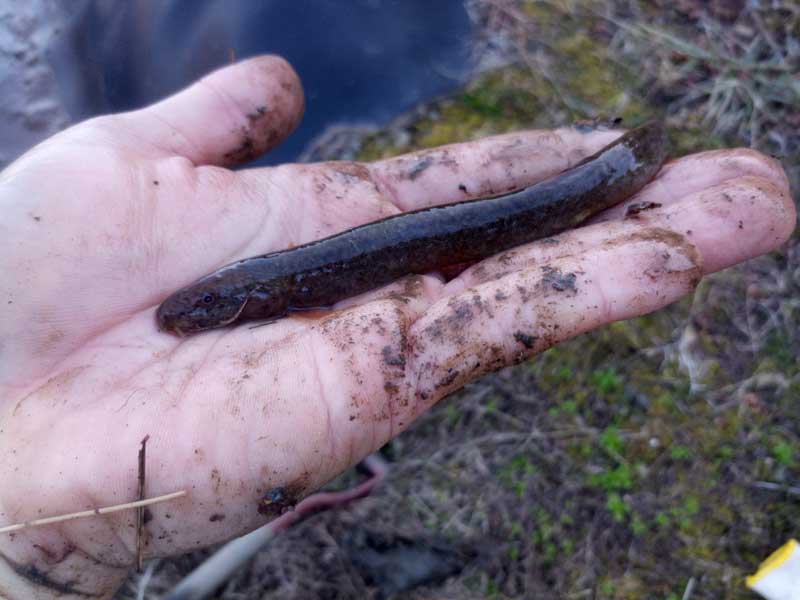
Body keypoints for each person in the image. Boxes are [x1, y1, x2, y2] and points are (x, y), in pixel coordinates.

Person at [0, 55, 793, 599]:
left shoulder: (257, 288)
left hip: (481, 218)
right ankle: (617, 167)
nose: (186, 319)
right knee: (530, 212)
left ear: (234, 302)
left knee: (537, 210)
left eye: (196, 311)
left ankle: (625, 164)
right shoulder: (242, 291)